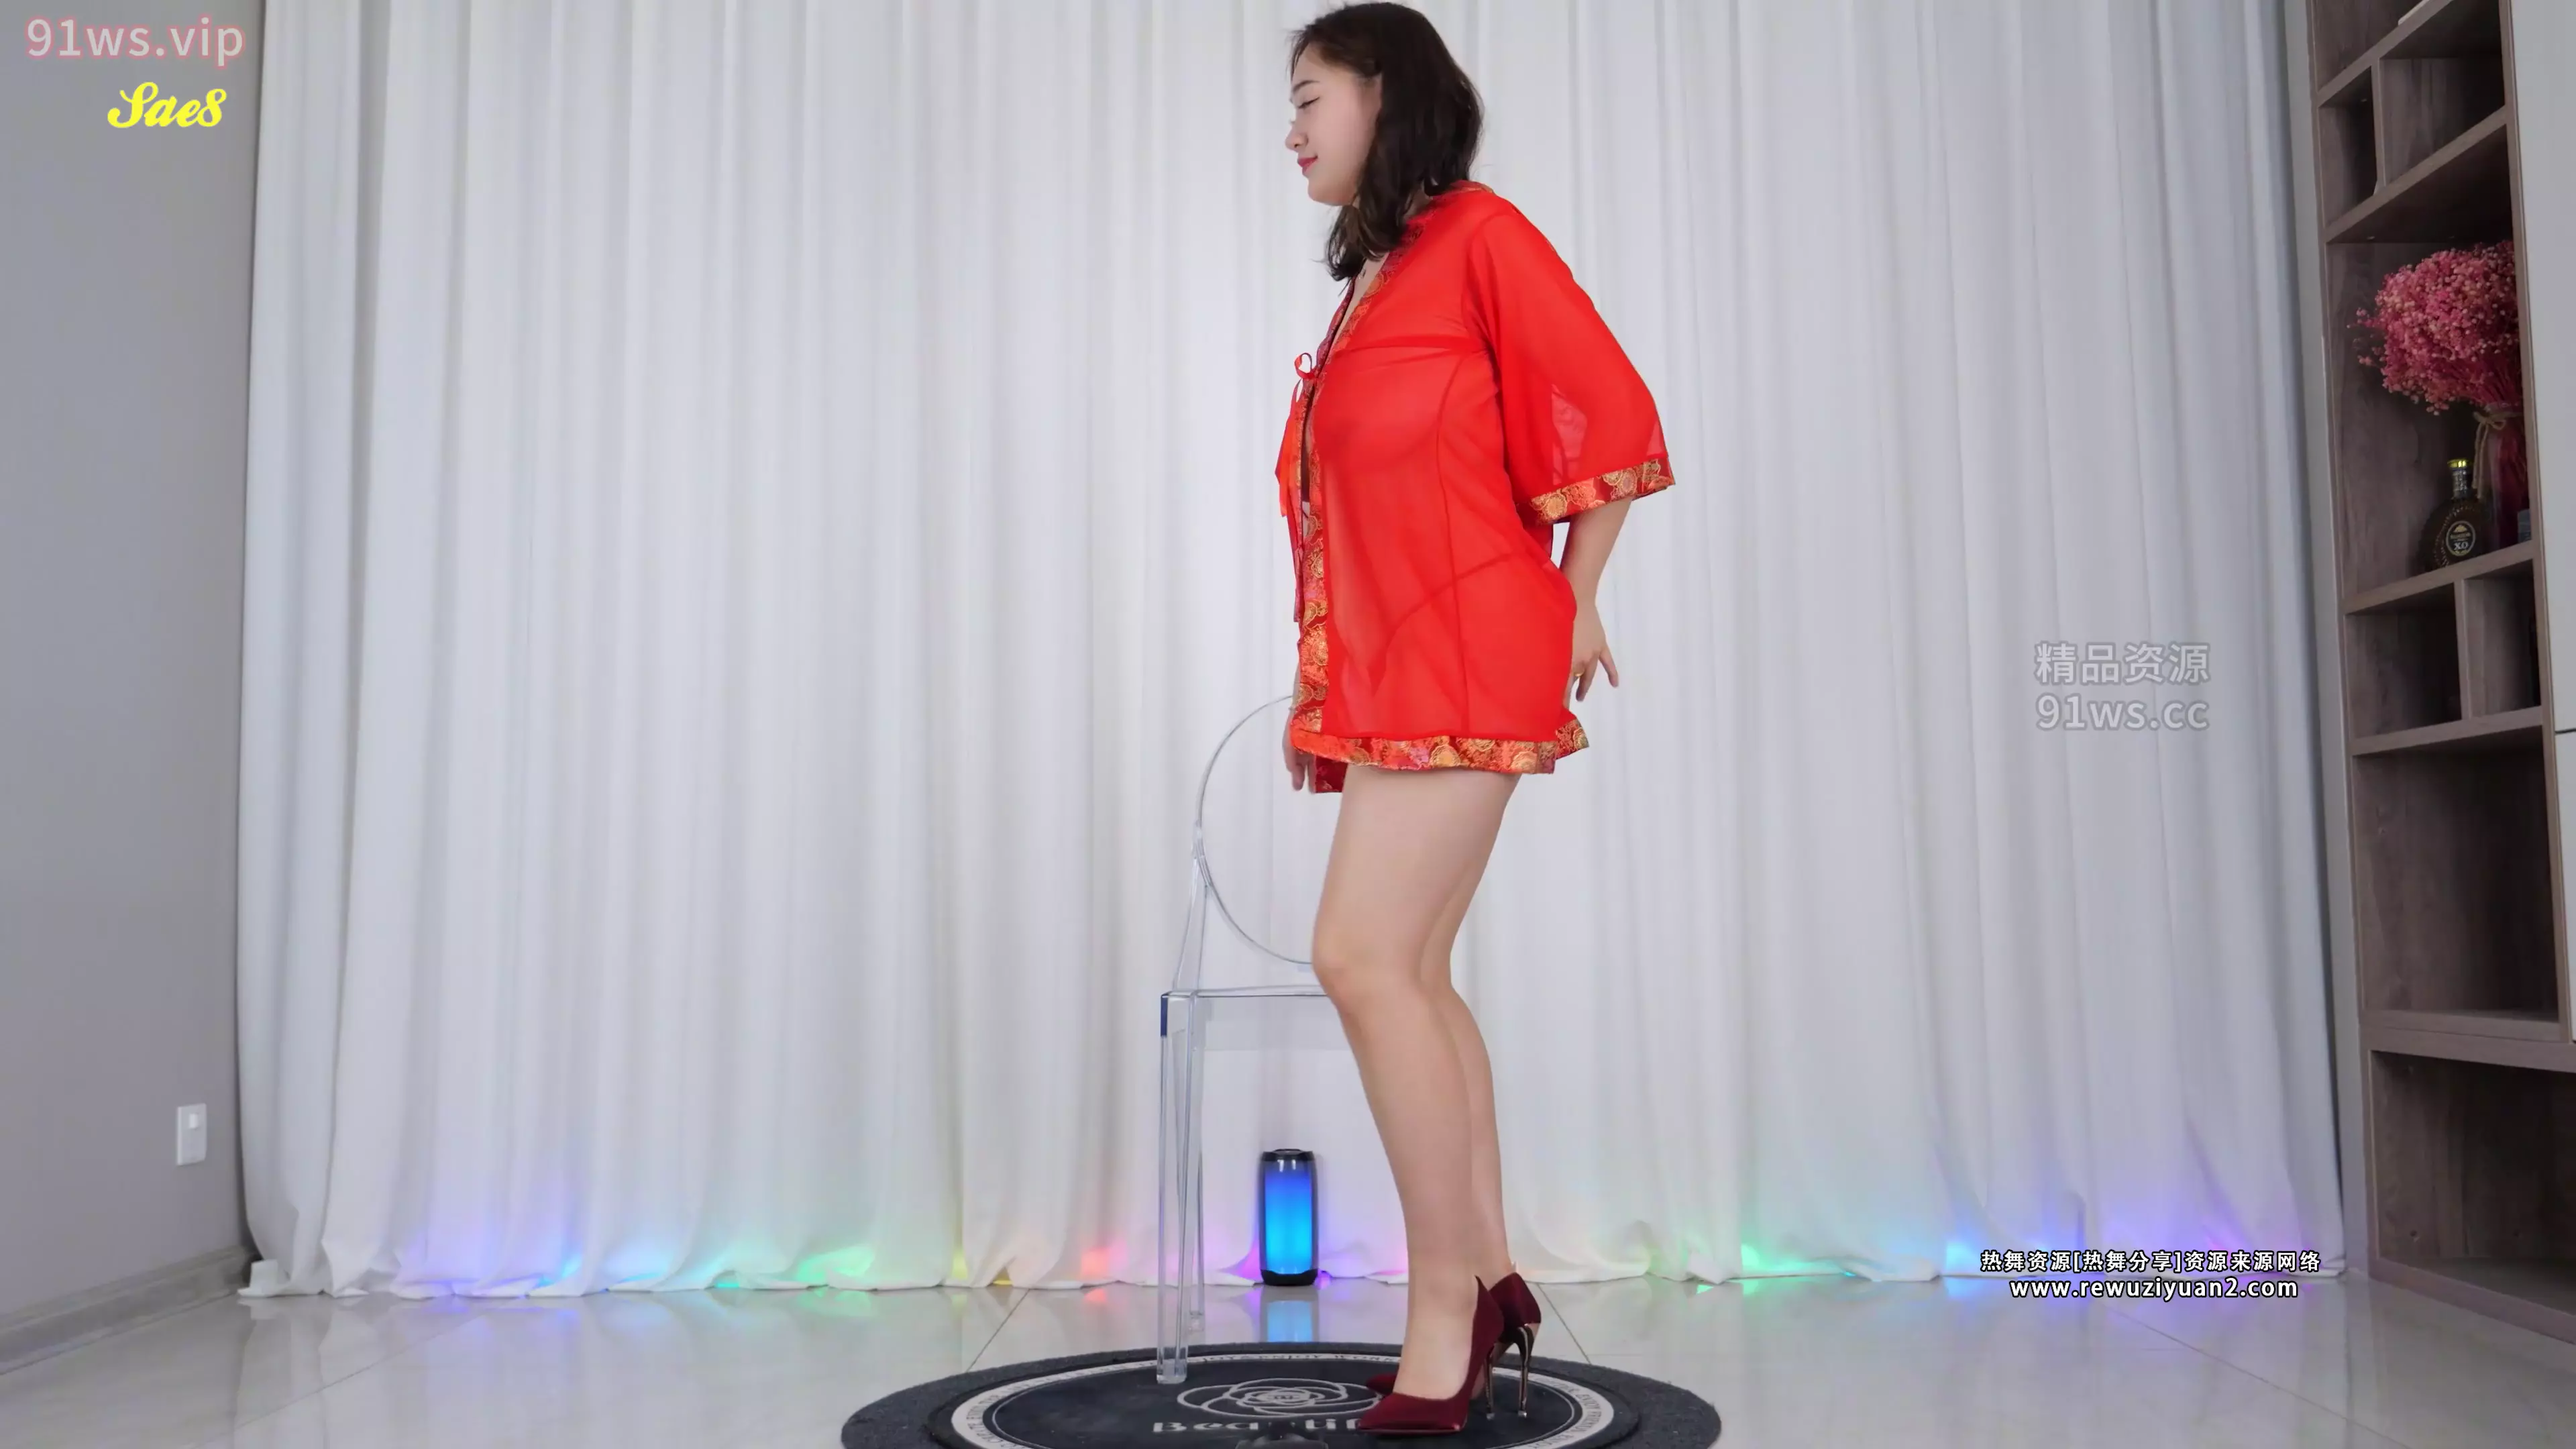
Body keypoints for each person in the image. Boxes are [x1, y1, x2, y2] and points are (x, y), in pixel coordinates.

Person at [1275, 2, 1676, 1435]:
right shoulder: (1383, 273)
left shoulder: (1481, 235)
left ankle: (1444, 1307)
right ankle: (1490, 1271)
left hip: (1466, 645)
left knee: (1359, 956)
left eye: (1311, 96)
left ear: (1386, 95)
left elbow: (1611, 412)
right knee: (1416, 970)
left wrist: (1578, 598)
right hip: (1404, 657)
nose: (1291, 130)